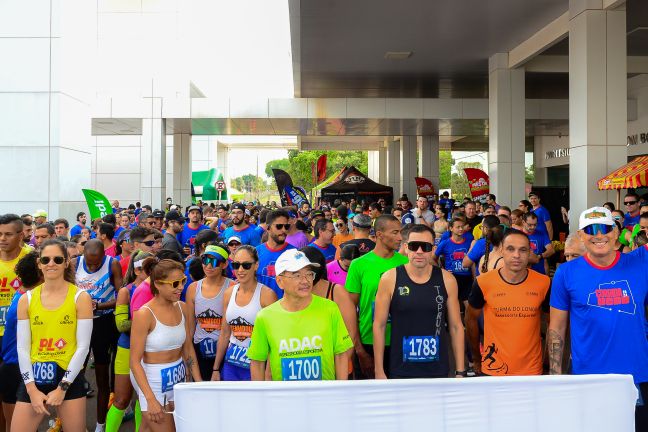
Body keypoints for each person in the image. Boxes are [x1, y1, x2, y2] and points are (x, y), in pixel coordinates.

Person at [548, 207, 648, 430]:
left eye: (605, 228)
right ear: (582, 236)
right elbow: (556, 329)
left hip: (636, 376)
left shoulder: (641, 263)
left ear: (615, 232)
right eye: (590, 230)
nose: (599, 235)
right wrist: (555, 377)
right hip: (588, 377)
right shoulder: (567, 273)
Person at [12, 239, 93, 432]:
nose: (51, 264)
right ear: (39, 263)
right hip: (34, 376)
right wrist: (31, 389)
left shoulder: (80, 298)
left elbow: (83, 348)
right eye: (46, 260)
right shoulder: (27, 299)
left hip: (68, 377)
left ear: (66, 263)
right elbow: (22, 348)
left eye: (57, 259)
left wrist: (63, 387)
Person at [373, 224, 465, 379]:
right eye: (414, 246)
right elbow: (379, 325)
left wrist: (460, 371)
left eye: (426, 247)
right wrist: (379, 370)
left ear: (433, 249)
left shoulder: (447, 279)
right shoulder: (389, 278)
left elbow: (456, 326)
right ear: (406, 248)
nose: (419, 252)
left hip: (437, 369)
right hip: (401, 369)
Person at [247, 249, 353, 381]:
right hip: (284, 397)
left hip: (323, 397)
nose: (305, 281)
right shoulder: (265, 317)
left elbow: (341, 354)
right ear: (279, 281)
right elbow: (257, 362)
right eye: (297, 275)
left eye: (309, 274)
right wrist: (262, 398)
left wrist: (340, 391)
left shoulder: (330, 308)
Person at [130, 258, 202, 431]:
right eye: (175, 283)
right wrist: (150, 398)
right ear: (158, 284)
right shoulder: (144, 314)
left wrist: (199, 384)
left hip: (178, 381)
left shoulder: (182, 307)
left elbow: (188, 348)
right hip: (153, 383)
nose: (181, 287)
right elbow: (134, 361)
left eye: (183, 281)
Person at [466, 230, 550, 376]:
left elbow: (554, 325)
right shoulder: (483, 282)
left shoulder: (544, 283)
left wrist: (548, 361)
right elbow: (470, 320)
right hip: (493, 369)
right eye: (510, 249)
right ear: (501, 251)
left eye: (523, 250)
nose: (516, 255)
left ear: (530, 252)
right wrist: (476, 358)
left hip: (531, 371)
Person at [345, 215, 408, 378]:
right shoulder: (358, 265)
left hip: (401, 342)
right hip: (368, 342)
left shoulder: (406, 263)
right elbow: (349, 310)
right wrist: (359, 350)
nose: (400, 238)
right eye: (395, 233)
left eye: (400, 233)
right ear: (379, 234)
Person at [73, 239, 123, 431]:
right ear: (83, 254)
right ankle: (69, 421)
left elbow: (121, 296)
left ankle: (100, 425)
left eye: (96, 263)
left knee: (102, 377)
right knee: (76, 373)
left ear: (104, 255)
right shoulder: (75, 263)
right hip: (79, 324)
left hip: (103, 323)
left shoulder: (113, 264)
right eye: (89, 262)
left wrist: (98, 306)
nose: (92, 266)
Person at [212, 246, 277, 381]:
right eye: (236, 265)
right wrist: (216, 369)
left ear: (256, 265)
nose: (240, 270)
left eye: (246, 265)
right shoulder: (229, 293)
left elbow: (273, 340)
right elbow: (225, 333)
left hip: (257, 366)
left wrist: (268, 374)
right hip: (231, 365)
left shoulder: (267, 295)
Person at [106, 251, 152, 432]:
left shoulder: (159, 289)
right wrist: (151, 320)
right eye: (142, 268)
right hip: (127, 348)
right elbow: (121, 325)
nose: (146, 272)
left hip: (151, 350)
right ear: (136, 270)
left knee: (144, 399)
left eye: (150, 268)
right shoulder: (127, 291)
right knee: (121, 400)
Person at [300, 246, 359, 378]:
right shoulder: (295, 293)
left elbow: (351, 335)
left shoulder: (337, 292)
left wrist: (335, 367)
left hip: (336, 369)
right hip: (307, 370)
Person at [0, 251, 41, 431]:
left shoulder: (22, 294)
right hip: (16, 368)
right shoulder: (28, 302)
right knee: (17, 426)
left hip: (15, 367)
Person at [185, 245, 233, 381]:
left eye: (215, 261)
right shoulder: (193, 288)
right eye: (205, 260)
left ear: (224, 264)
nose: (209, 266)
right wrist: (188, 363)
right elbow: (190, 328)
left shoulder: (232, 287)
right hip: (199, 352)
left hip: (224, 352)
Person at [255, 209, 295, 298]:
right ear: (268, 228)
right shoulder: (255, 253)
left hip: (284, 309)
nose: (284, 230)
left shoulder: (295, 254)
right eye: (279, 226)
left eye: (287, 226)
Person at [433, 217, 473, 303]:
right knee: (453, 304)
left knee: (468, 304)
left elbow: (473, 261)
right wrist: (442, 271)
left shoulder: (469, 242)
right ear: (451, 228)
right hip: (452, 277)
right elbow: (432, 259)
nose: (461, 229)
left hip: (467, 277)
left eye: (462, 226)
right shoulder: (444, 243)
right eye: (458, 227)